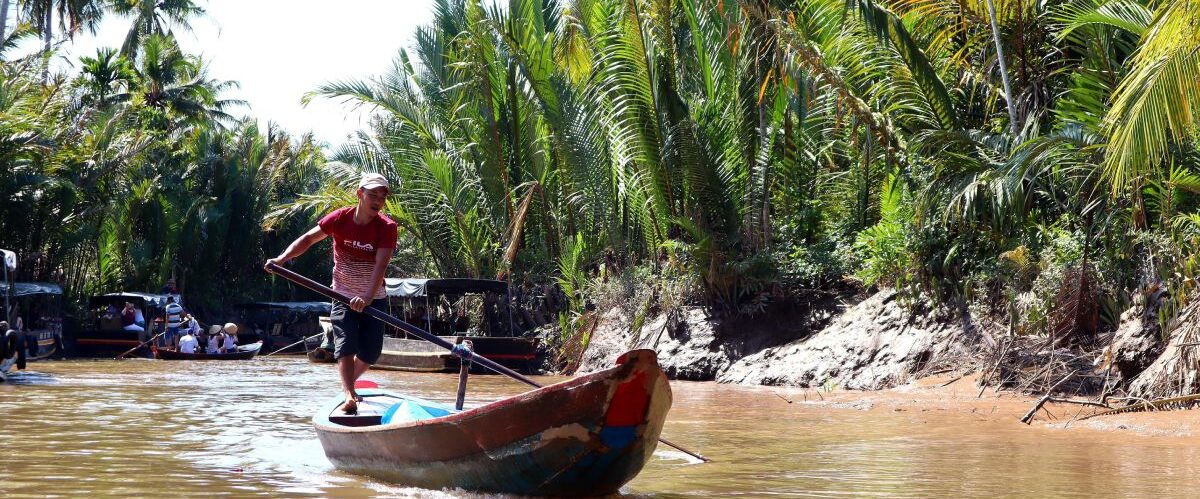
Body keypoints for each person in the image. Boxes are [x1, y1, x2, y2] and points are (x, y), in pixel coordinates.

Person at [265, 172, 397, 414]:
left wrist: (366, 298)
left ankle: (347, 385)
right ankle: (349, 394)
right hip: (342, 294)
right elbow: (308, 239)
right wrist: (282, 259)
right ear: (360, 194)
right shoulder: (340, 219)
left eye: (382, 196)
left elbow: (381, 266)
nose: (377, 200)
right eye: (372, 195)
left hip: (373, 297)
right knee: (345, 343)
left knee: (371, 351)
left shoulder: (387, 228)